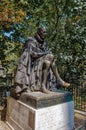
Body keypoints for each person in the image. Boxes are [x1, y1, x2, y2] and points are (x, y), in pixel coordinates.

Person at [15, 27, 70, 97]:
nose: (45, 34)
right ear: (39, 32)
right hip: (32, 64)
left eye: (46, 32)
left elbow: (47, 54)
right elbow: (32, 54)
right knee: (48, 59)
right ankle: (57, 80)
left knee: (49, 59)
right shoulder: (31, 41)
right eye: (44, 32)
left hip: (42, 63)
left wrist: (46, 53)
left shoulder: (44, 43)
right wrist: (45, 53)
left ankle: (45, 85)